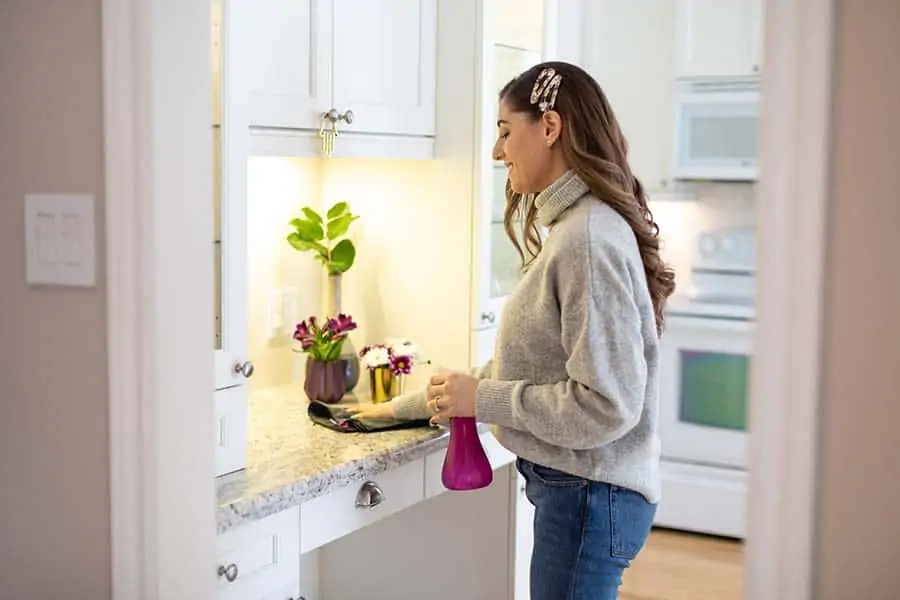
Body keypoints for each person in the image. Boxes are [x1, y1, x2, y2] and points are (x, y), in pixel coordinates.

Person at [351, 61, 676, 600]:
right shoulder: (575, 229)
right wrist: (405, 406)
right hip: (585, 496)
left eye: (505, 131)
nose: (498, 151)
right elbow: (534, 369)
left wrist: (485, 399)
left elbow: (606, 405)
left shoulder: (586, 239)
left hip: (590, 498)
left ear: (549, 128)